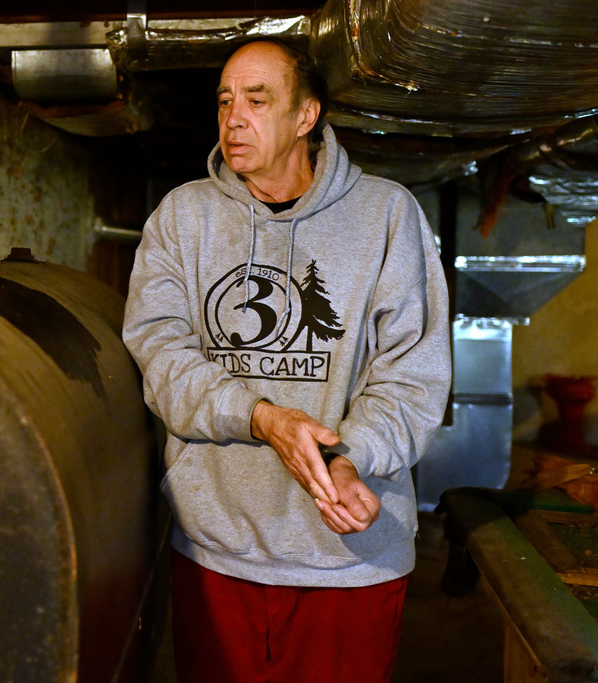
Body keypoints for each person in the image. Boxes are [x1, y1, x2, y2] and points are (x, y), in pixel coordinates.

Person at [122, 38, 451, 682]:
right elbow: (161, 356)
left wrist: (351, 458)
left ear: (306, 116)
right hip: (218, 551)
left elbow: (410, 373)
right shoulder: (182, 218)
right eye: (224, 99)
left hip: (349, 557)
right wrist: (266, 419)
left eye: (257, 98)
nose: (233, 116)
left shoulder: (386, 215)